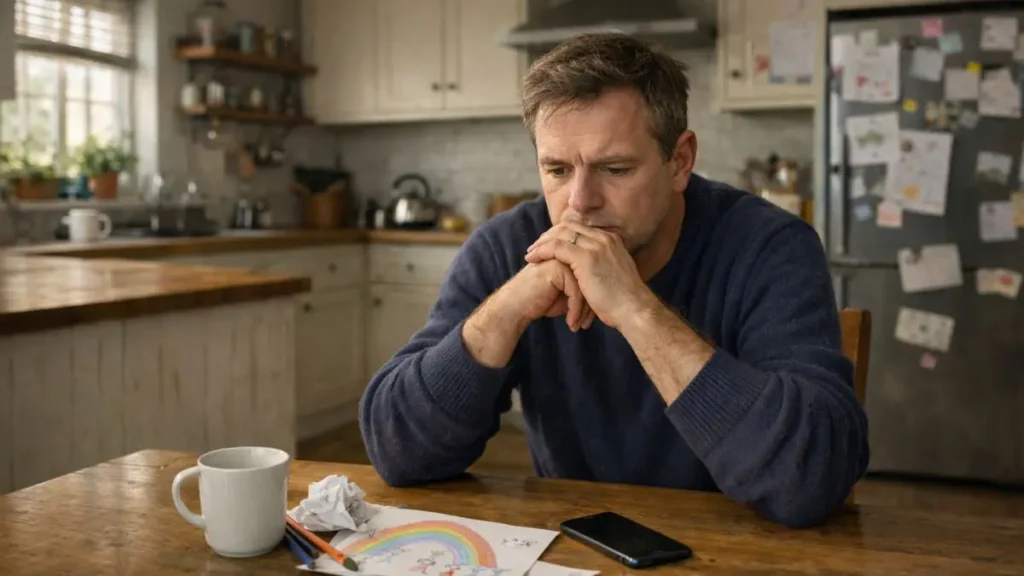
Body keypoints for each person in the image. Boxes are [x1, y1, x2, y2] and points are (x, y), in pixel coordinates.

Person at [358, 32, 869, 528]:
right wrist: (508, 309)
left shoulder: (770, 245)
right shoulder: (504, 247)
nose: (579, 203)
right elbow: (397, 451)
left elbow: (811, 480)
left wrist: (636, 310)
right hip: (574, 544)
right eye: (557, 170)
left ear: (680, 161)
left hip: (746, 549)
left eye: (616, 168)